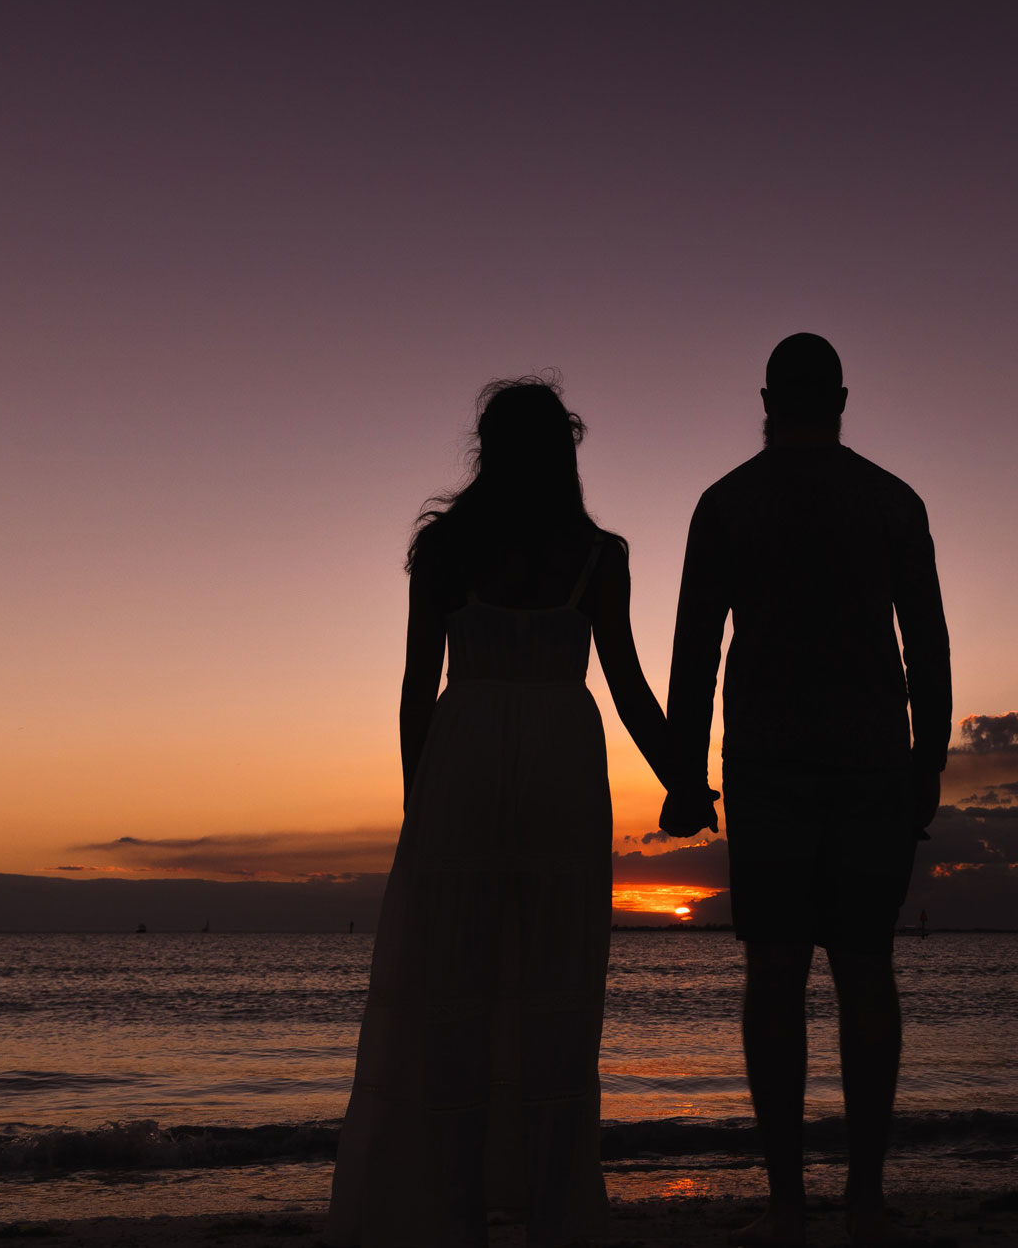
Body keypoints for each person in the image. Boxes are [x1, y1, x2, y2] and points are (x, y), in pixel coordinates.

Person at [329, 377, 694, 1248]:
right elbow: (632, 690)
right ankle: (552, 1208)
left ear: (488, 451)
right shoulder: (597, 554)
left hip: (465, 763)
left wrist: (422, 808)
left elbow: (420, 689)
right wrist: (682, 778)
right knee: (554, 988)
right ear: (563, 451)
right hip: (563, 767)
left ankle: (450, 1206)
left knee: (454, 986)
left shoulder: (448, 548)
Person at [661, 333, 952, 1246]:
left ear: (765, 400)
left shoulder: (726, 503)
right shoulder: (893, 501)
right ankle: (863, 1200)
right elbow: (929, 645)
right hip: (873, 762)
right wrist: (928, 761)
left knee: (776, 972)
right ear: (842, 399)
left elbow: (695, 650)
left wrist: (684, 774)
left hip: (768, 764)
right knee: (866, 967)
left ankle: (788, 1203)